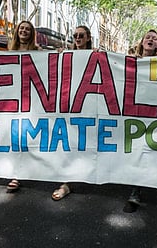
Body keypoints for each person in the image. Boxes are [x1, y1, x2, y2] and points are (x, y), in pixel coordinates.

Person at [51, 25, 96, 201]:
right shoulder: (65, 55)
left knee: (90, 142)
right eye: (75, 35)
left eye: (81, 35)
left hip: (91, 105)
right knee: (68, 143)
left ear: (88, 37)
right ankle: (65, 183)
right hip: (69, 105)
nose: (77, 38)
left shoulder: (95, 55)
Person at [124, 29, 157, 213]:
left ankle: (137, 189)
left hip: (152, 110)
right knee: (135, 150)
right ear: (142, 41)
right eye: (148, 37)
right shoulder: (129, 60)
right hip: (132, 110)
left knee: (145, 149)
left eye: (154, 39)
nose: (151, 40)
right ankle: (134, 188)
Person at [5, 20, 42, 192]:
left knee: (30, 137)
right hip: (13, 100)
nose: (24, 31)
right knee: (16, 137)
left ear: (32, 33)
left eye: (28, 29)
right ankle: (16, 175)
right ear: (17, 31)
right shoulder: (9, 51)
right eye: (22, 28)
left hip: (33, 101)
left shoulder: (38, 52)